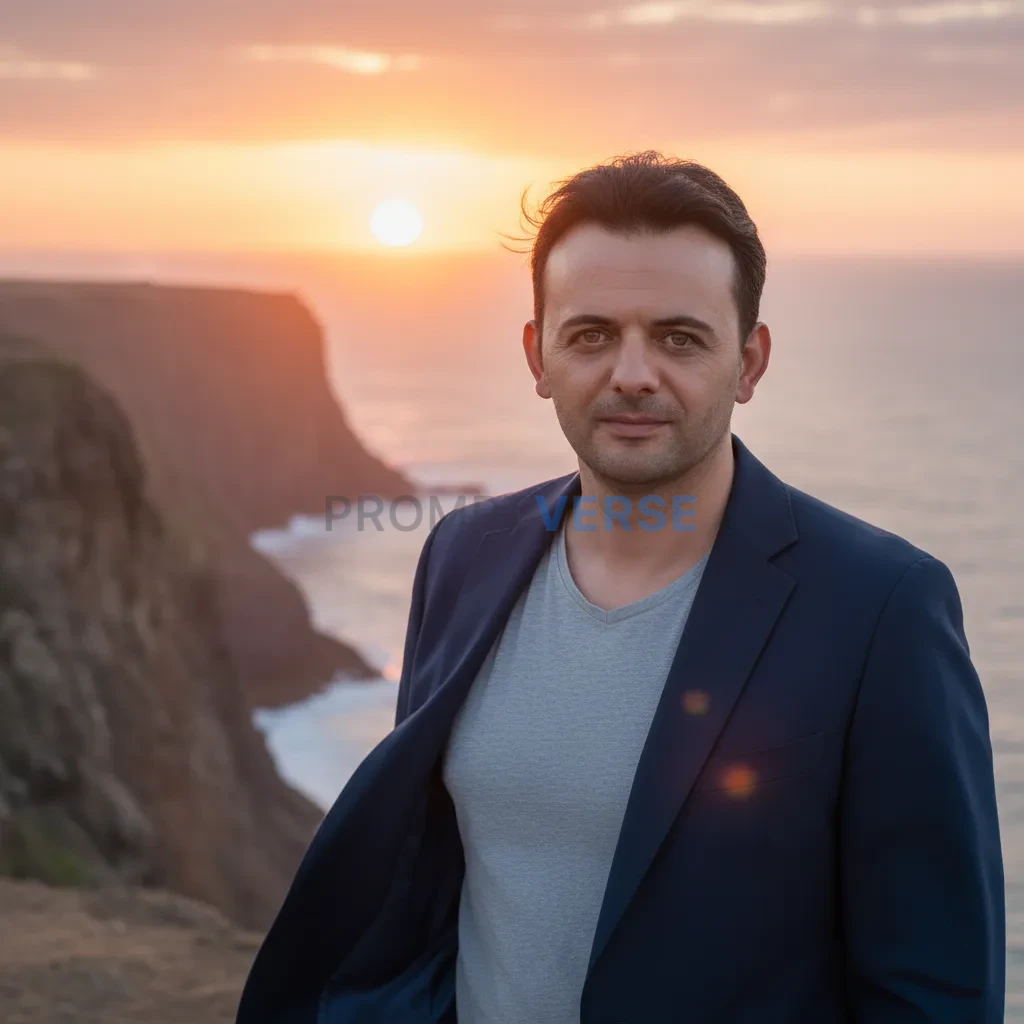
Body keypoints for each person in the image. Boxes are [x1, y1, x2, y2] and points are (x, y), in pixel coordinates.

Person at [235, 151, 1005, 1023]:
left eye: (679, 337)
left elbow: (933, 987)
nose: (632, 373)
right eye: (592, 334)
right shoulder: (462, 555)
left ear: (750, 363)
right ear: (538, 356)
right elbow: (425, 878)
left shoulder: (882, 608)